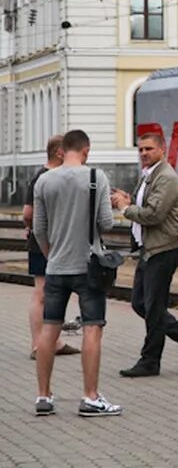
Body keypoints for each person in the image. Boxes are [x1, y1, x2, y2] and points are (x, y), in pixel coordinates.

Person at [32, 129, 121, 416]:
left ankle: (43, 397)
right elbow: (106, 222)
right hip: (89, 266)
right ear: (85, 150)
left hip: (56, 266)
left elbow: (39, 229)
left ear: (63, 150)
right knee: (92, 328)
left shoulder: (44, 180)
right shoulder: (97, 177)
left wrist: (50, 256)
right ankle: (91, 397)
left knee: (49, 328)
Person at [111, 132, 178, 377]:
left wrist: (124, 208)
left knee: (153, 307)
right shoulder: (148, 174)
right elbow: (146, 206)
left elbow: (153, 215)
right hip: (148, 249)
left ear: (162, 149)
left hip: (164, 249)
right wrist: (129, 200)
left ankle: (150, 361)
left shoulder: (167, 177)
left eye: (148, 149)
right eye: (140, 149)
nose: (143, 153)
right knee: (141, 303)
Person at [24, 135, 80, 361]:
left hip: (47, 241)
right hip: (46, 242)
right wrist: (38, 230)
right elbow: (28, 213)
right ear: (59, 153)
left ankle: (52, 341)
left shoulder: (42, 175)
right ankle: (40, 344)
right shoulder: (46, 177)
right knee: (42, 293)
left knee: (49, 292)